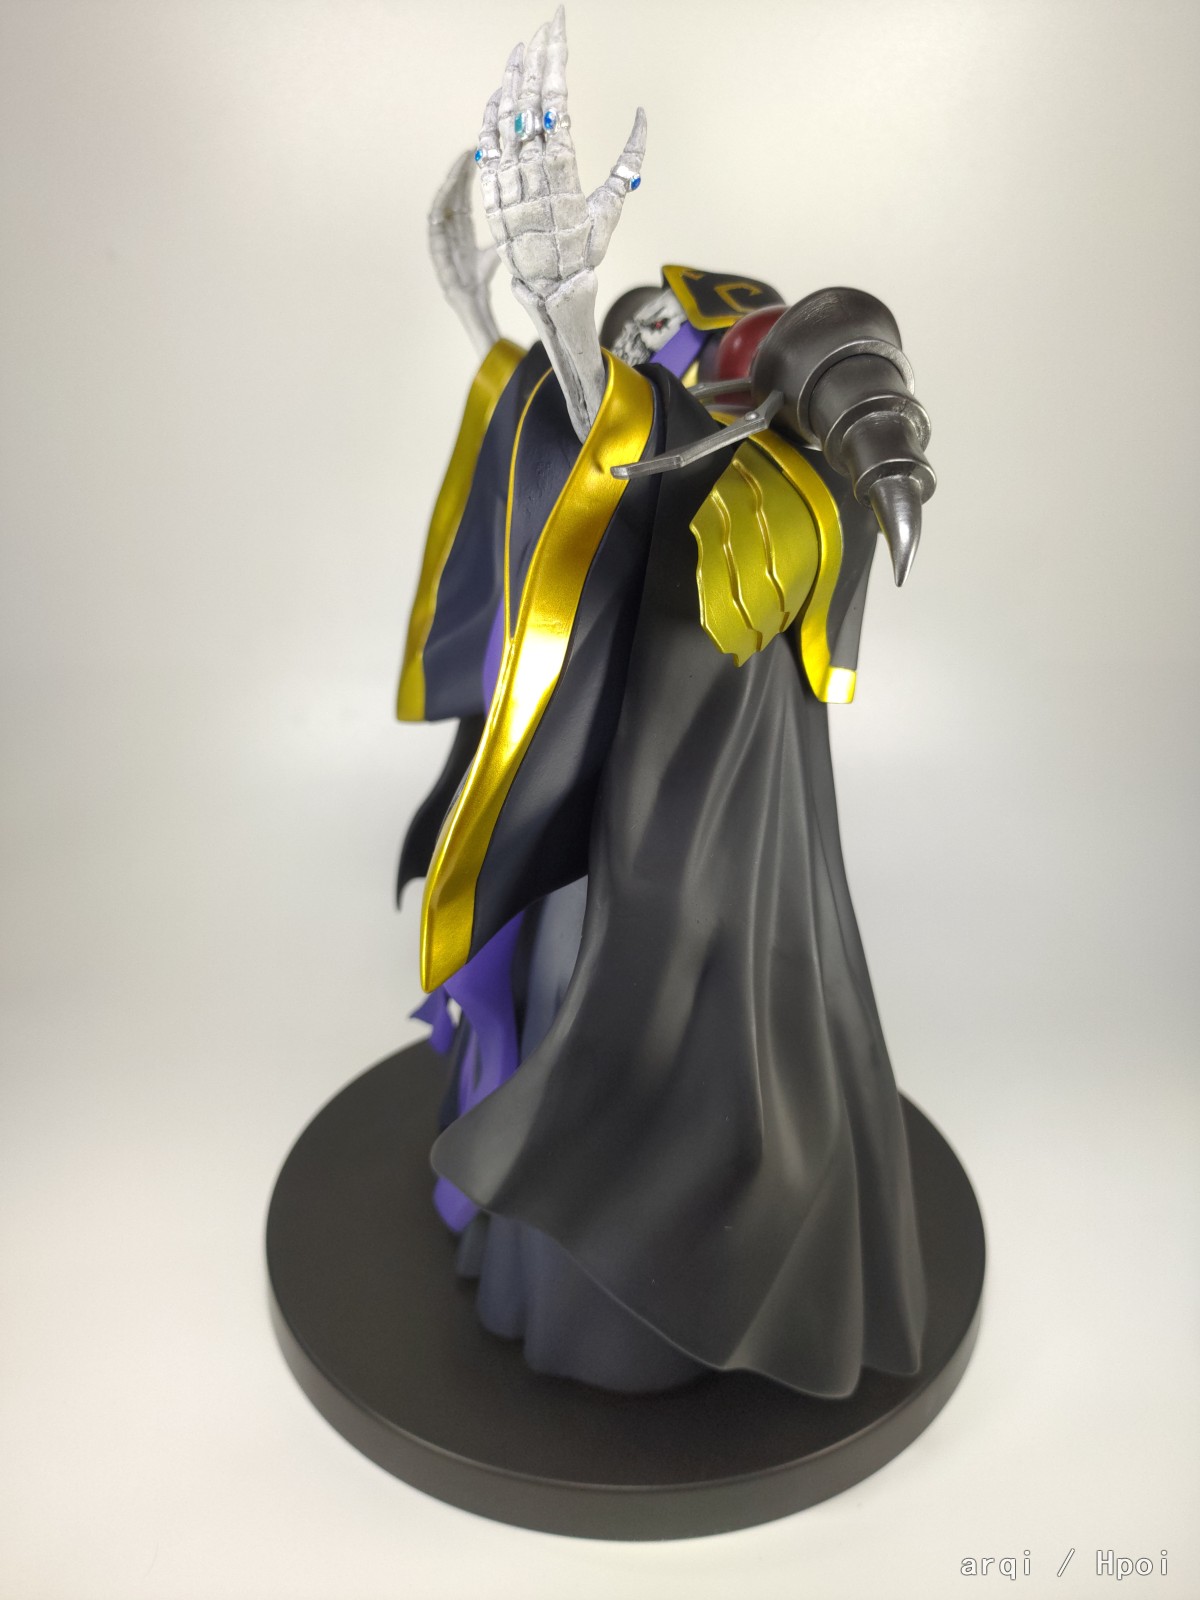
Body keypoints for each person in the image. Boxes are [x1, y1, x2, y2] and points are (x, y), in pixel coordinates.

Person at [396, 8, 936, 1398]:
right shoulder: (660, 420)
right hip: (611, 793)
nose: (651, 337)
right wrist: (513, 326)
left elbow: (780, 373)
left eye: (661, 330)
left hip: (702, 830)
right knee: (572, 987)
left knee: (670, 1036)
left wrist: (867, 418)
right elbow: (583, 466)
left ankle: (662, 1291)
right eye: (640, 331)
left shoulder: (762, 453)